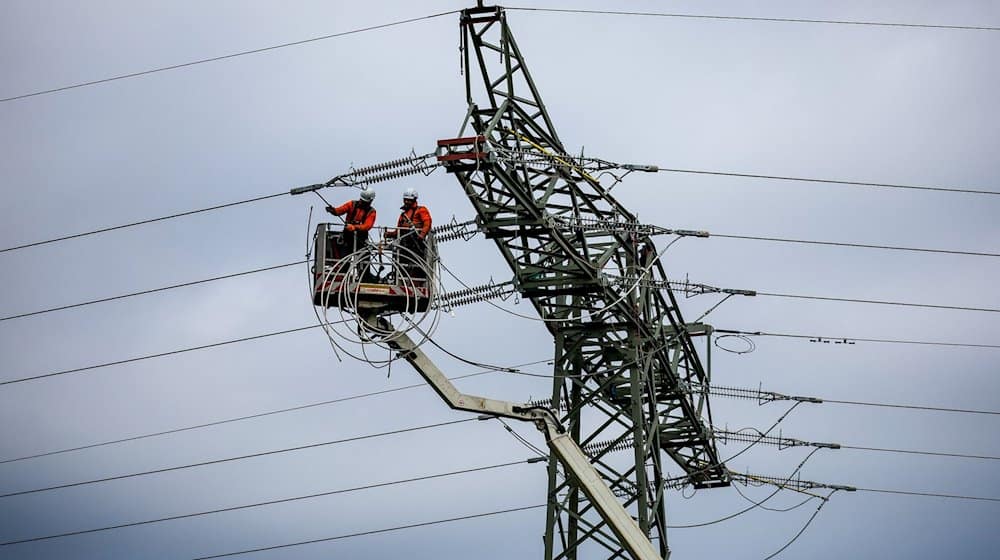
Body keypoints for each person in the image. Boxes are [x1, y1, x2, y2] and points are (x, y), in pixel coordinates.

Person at [386, 187, 432, 277]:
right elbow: (398, 230)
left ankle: (415, 280)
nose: (406, 202)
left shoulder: (421, 210)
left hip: (416, 242)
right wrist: (389, 234)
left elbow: (427, 222)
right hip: (404, 244)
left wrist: (422, 234)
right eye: (405, 200)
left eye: (409, 200)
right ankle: (403, 279)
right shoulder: (403, 215)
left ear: (414, 200)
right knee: (402, 264)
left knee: (416, 264)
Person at [326, 187, 376, 257]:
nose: (362, 203)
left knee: (364, 261)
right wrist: (333, 210)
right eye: (362, 200)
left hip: (361, 240)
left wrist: (354, 227)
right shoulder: (352, 204)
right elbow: (340, 210)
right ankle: (345, 267)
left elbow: (367, 226)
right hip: (348, 237)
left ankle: (362, 266)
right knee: (345, 260)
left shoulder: (371, 212)